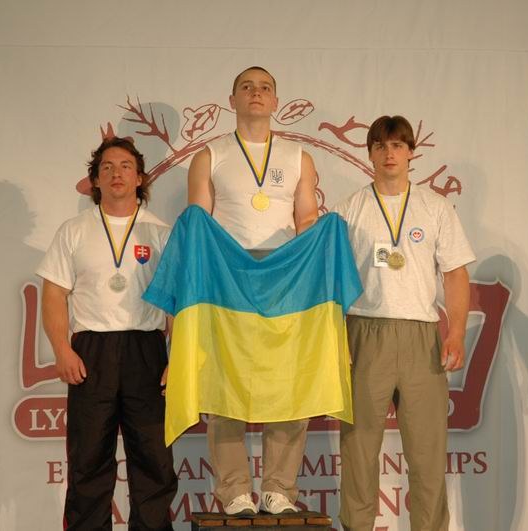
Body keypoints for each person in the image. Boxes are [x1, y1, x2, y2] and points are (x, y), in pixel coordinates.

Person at [186, 66, 318, 516]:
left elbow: (307, 220)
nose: (256, 93)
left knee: (289, 383)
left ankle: (280, 489)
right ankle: (234, 490)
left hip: (284, 278)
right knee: (226, 384)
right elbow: (198, 225)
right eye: (247, 87)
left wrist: (310, 259)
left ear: (276, 101)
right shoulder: (210, 155)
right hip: (228, 278)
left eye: (265, 88)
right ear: (232, 100)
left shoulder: (298, 156)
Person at [333, 115, 475, 530]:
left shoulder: (435, 207)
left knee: (427, 454)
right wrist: (335, 338)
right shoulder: (349, 209)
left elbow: (455, 274)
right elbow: (329, 277)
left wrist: (456, 333)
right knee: (359, 450)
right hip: (364, 331)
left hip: (420, 336)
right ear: (370, 154)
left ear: (412, 152)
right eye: (380, 146)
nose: (389, 153)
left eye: (397, 145)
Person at [38, 138, 177, 530]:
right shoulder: (74, 231)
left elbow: (178, 302)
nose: (117, 173)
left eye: (126, 166)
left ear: (140, 178)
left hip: (146, 350)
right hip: (91, 351)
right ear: (95, 180)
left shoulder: (161, 233)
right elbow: (54, 295)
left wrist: (179, 357)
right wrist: (62, 350)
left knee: (153, 458)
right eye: (107, 167)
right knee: (88, 459)